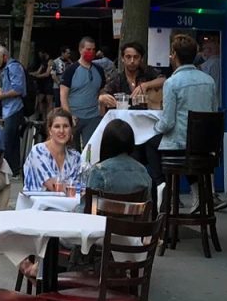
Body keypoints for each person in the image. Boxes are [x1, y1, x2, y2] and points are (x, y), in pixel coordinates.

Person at [152, 32, 219, 185]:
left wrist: (155, 127)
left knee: (150, 143)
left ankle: (162, 187)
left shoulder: (172, 83)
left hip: (180, 146)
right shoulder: (209, 81)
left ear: (174, 55)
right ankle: (198, 195)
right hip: (204, 146)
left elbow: (168, 122)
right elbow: (213, 113)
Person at [80, 118, 153, 207]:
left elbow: (89, 208)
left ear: (106, 142)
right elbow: (147, 208)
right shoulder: (143, 172)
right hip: (135, 219)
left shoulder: (99, 171)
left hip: (105, 220)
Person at [21, 108, 84, 194]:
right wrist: (73, 188)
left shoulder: (75, 157)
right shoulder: (38, 152)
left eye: (65, 126)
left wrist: (75, 188)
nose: (61, 131)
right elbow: (54, 186)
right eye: (57, 126)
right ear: (50, 130)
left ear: (71, 129)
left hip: (67, 205)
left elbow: (81, 187)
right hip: (36, 205)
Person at [59, 36, 105, 149]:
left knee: (90, 150)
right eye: (88, 49)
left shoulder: (99, 70)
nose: (91, 52)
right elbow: (63, 95)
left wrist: (102, 113)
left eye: (93, 50)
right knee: (72, 150)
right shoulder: (71, 70)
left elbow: (102, 93)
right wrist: (69, 116)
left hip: (93, 117)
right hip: (75, 117)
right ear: (81, 50)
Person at [0, 44, 28, 174]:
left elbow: (18, 89)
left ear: (5, 57)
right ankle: (14, 168)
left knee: (8, 140)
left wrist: (2, 95)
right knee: (12, 140)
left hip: (14, 108)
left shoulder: (14, 67)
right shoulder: (6, 68)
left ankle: (7, 169)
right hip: (8, 108)